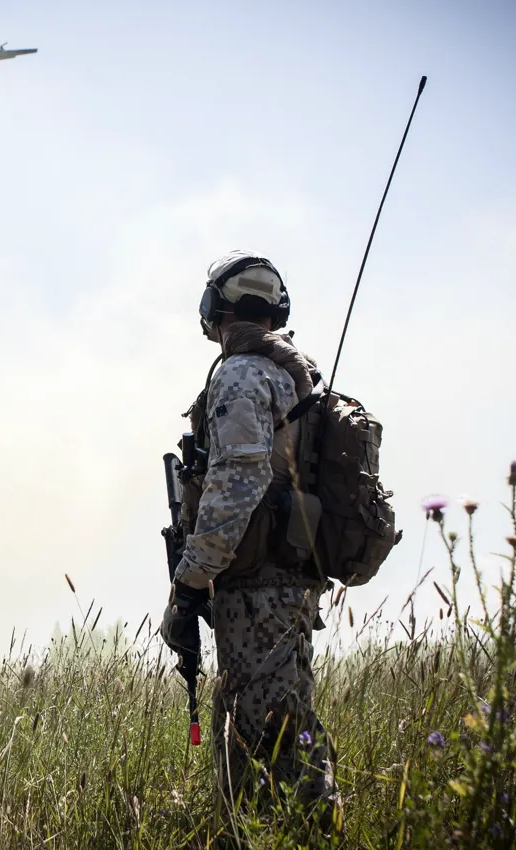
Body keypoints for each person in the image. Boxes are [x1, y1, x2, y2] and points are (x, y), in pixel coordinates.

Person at [162, 250, 341, 831]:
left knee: (257, 749)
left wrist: (189, 584)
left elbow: (238, 482)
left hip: (259, 589)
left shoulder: (241, 374)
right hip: (288, 582)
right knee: (291, 732)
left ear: (215, 311)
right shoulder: (297, 375)